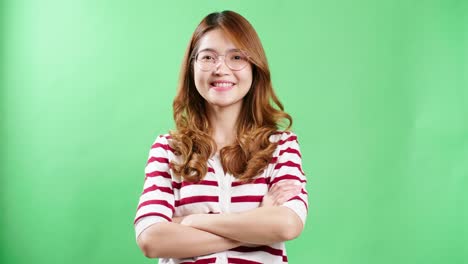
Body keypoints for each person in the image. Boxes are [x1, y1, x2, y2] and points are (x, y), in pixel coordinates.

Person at [134, 10, 308, 264]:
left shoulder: (281, 147)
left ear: (254, 67)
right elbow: (152, 240)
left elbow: (287, 225)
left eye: (236, 57)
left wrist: (193, 221)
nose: (221, 68)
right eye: (208, 57)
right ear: (192, 67)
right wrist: (258, 223)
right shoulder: (168, 149)